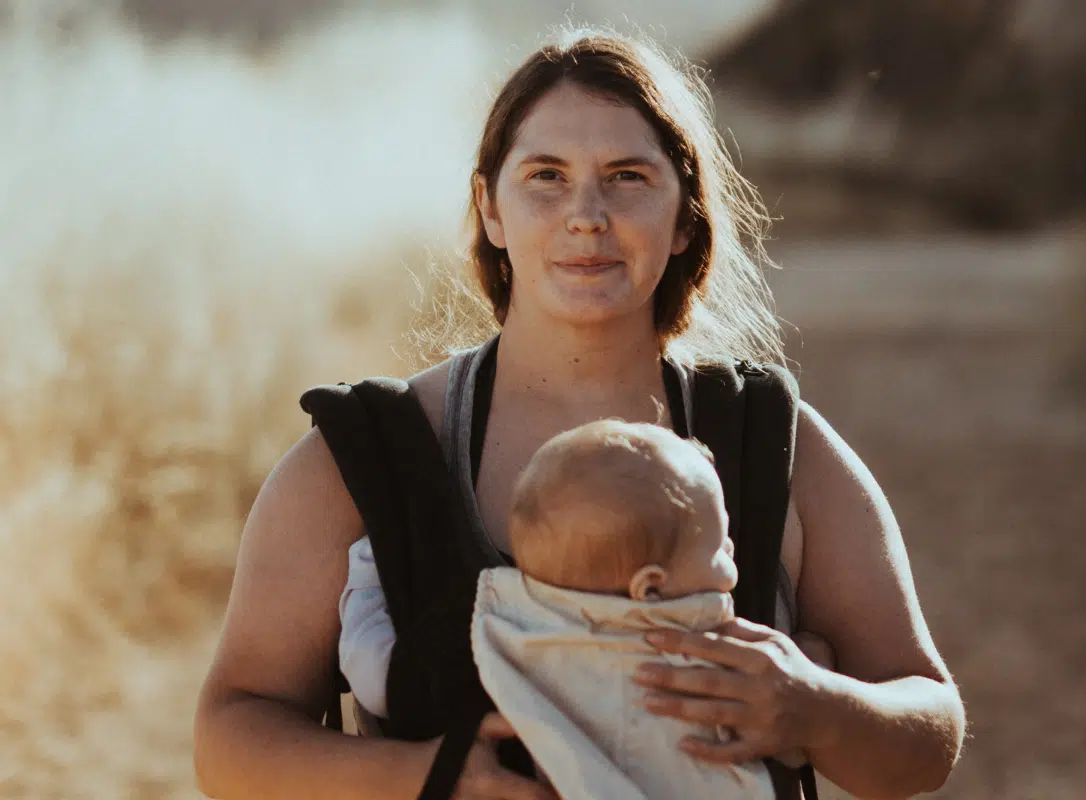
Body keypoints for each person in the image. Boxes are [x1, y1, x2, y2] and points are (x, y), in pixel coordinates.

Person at [193, 26, 966, 800]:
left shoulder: (769, 443)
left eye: (628, 176)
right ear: (489, 210)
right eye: (546, 176)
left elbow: (928, 730)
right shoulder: (367, 458)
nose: (587, 214)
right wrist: (425, 776)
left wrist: (814, 709)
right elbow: (230, 737)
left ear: (686, 217)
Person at [343, 418, 780, 799]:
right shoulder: (711, 653)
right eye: (720, 544)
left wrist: (367, 575)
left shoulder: (499, 629)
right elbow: (785, 731)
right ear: (648, 589)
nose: (732, 550)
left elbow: (376, 677)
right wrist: (814, 657)